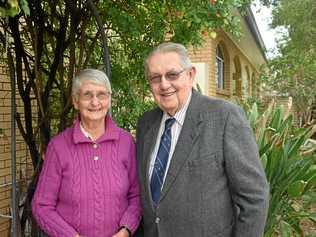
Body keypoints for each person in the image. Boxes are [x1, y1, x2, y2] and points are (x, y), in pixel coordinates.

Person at [136, 42, 269, 237]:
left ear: (190, 75)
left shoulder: (224, 117)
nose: (164, 84)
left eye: (172, 75)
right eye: (155, 78)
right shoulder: (146, 124)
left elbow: (254, 197)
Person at [32, 69, 142, 237]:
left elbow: (137, 196)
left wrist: (126, 230)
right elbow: (41, 206)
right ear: (76, 102)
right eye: (87, 95)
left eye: (102, 95)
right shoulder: (58, 146)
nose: (95, 102)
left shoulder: (126, 142)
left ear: (109, 100)